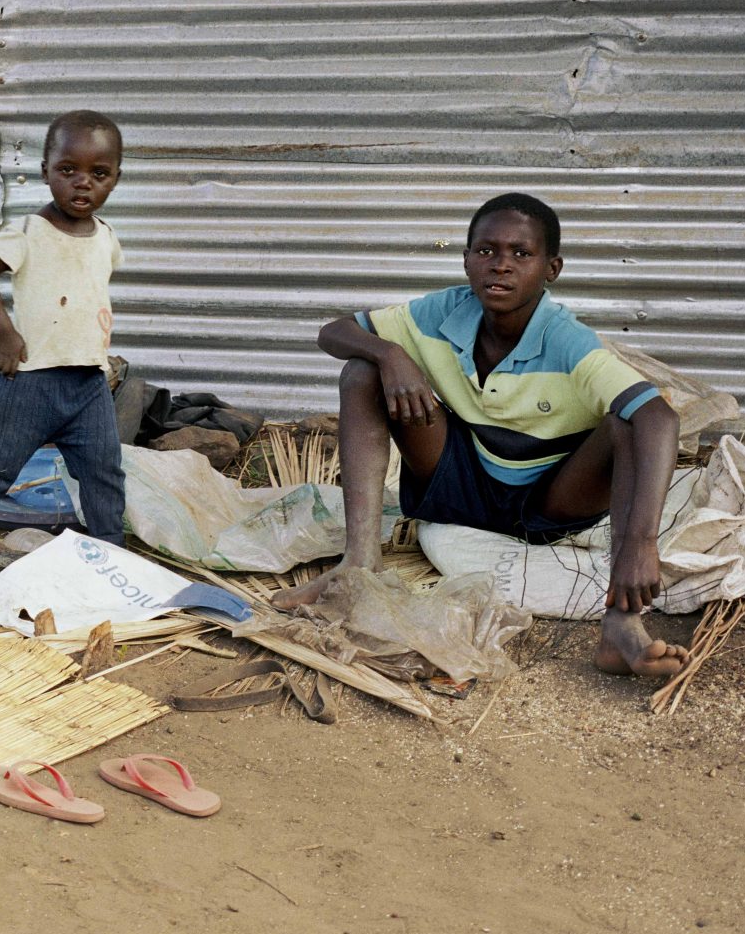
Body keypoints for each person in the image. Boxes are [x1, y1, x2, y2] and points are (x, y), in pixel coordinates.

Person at [288, 193, 688, 684]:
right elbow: (335, 331)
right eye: (486, 251)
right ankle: (360, 561)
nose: (501, 265)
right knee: (361, 371)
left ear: (551, 269)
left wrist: (641, 544)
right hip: (460, 486)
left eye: (521, 254)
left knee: (625, 421)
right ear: (466, 260)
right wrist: (391, 354)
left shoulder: (569, 341)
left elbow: (659, 418)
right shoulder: (444, 311)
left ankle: (620, 627)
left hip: (550, 503)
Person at [0, 112, 127, 541]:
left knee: (104, 472)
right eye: (68, 170)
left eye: (99, 173)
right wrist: (5, 335)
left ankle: (111, 552)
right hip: (32, 381)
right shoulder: (29, 232)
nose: (82, 182)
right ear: (45, 172)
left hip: (88, 384)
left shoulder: (106, 237)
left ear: (115, 180)